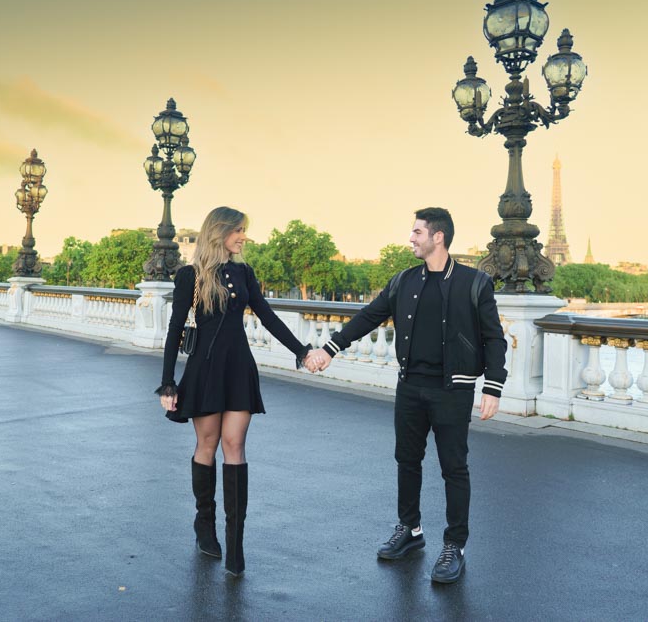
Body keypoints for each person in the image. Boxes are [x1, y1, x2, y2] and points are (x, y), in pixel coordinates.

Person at [306, 207, 506, 584]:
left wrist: (493, 386)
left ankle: (455, 545)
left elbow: (494, 338)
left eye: (417, 232)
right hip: (410, 386)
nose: (411, 238)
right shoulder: (404, 281)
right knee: (407, 460)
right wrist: (330, 348)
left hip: (453, 389)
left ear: (438, 237)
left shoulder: (474, 283)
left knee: (454, 467)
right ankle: (410, 530)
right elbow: (369, 316)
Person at [157, 206, 315, 578]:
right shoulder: (191, 276)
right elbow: (175, 328)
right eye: (238, 231)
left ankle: (235, 542)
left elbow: (267, 315)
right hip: (205, 371)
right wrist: (168, 382)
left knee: (235, 445)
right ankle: (205, 524)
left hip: (239, 369)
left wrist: (301, 351)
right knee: (207, 444)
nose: (243, 237)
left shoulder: (245, 273)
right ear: (220, 232)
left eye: (244, 231)